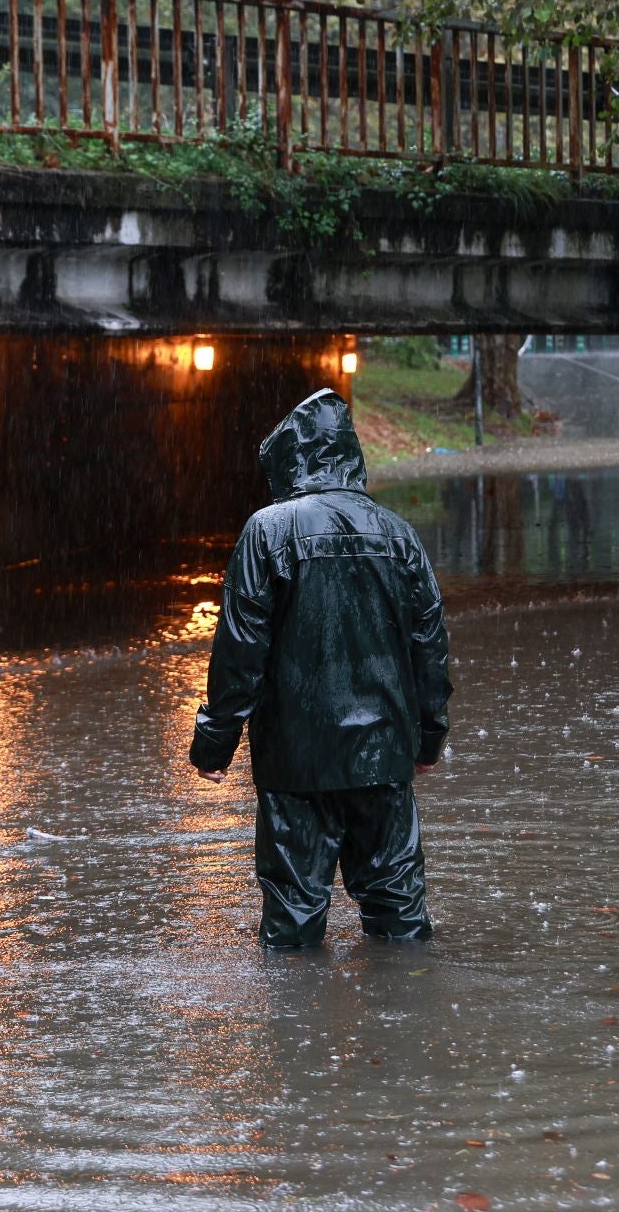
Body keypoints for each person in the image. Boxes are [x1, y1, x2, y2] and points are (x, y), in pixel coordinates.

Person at [189, 388, 453, 949]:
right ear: (352, 456)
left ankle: (294, 1026)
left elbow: (241, 648)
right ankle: (409, 1018)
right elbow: (429, 647)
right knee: (398, 906)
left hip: (296, 759)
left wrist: (215, 744)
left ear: (291, 460)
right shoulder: (398, 535)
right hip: (383, 754)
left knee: (293, 914)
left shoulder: (267, 531)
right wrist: (427, 740)